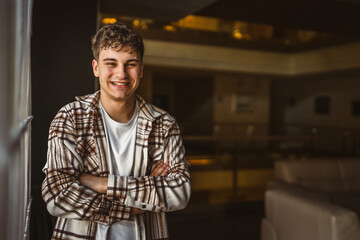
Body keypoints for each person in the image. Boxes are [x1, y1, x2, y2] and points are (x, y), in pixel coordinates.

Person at [42, 22, 191, 240]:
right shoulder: (70, 118)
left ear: (140, 69)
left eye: (130, 64)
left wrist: (102, 184)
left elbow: (179, 192)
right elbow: (57, 195)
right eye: (111, 63)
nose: (121, 74)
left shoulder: (164, 124)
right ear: (96, 68)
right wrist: (136, 203)